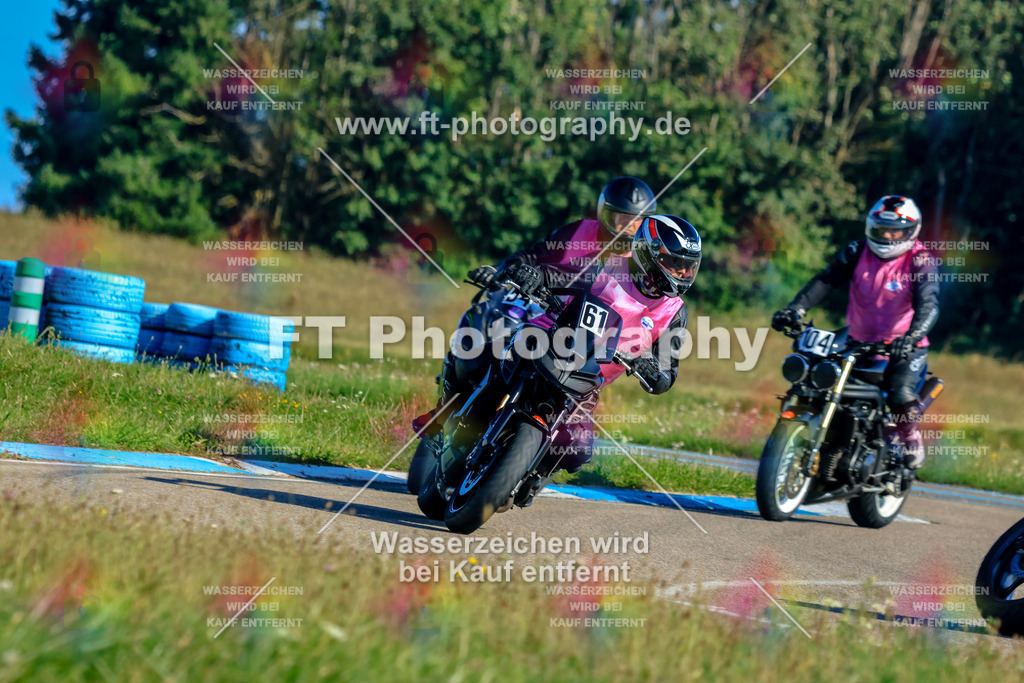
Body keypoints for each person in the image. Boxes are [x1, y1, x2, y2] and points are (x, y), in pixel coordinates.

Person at [409, 176, 658, 484]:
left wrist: (638, 352)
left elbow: (635, 314)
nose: (626, 227)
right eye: (620, 218)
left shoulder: (643, 262)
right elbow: (534, 255)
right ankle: (445, 412)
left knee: (577, 450)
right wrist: (504, 271)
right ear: (604, 213)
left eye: (635, 222)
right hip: (537, 308)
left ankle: (531, 470)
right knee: (479, 337)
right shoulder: (577, 232)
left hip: (581, 343)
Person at [771, 195, 939, 468]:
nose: (886, 235)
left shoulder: (920, 261)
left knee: (899, 393)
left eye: (893, 230)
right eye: (881, 229)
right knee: (815, 378)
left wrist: (912, 337)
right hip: (856, 342)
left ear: (910, 231)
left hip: (903, 348)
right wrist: (795, 309)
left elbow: (929, 305)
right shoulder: (857, 251)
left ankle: (909, 437)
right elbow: (826, 280)